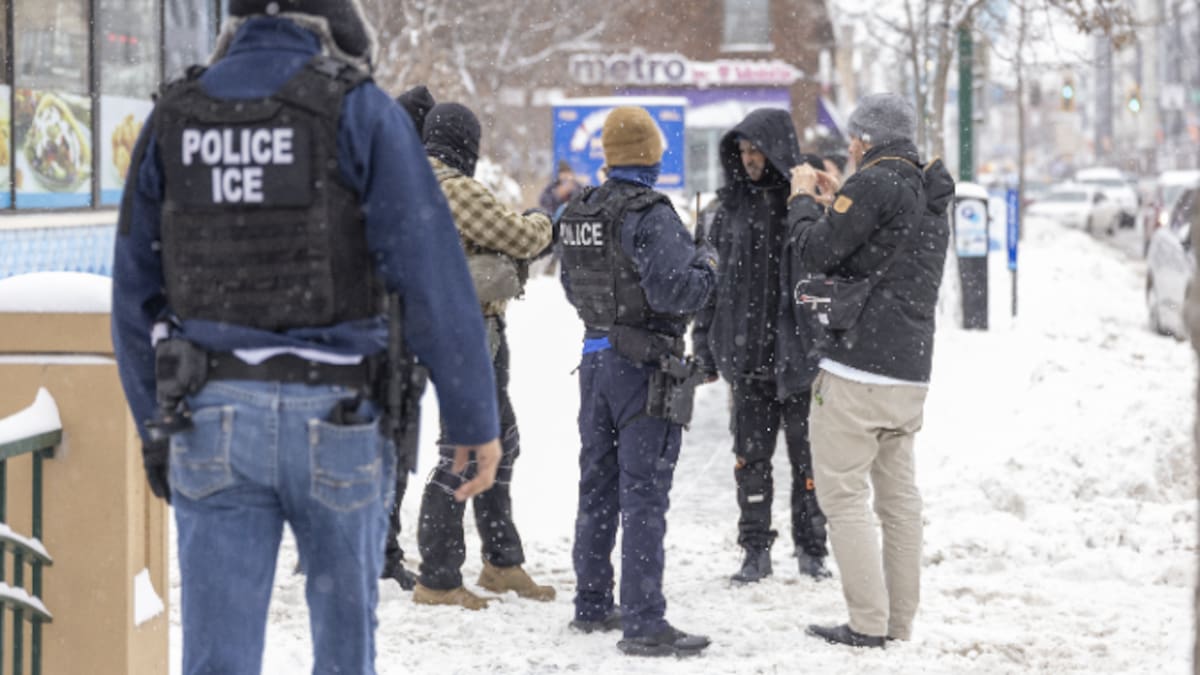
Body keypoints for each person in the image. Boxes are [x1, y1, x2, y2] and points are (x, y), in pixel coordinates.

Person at [110, 4, 502, 672]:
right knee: (345, 652)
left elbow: (132, 291)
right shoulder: (361, 110)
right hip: (340, 417)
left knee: (218, 658)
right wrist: (473, 417)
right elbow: (431, 272)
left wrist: (156, 419)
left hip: (213, 415)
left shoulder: (175, 115)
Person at [786, 93, 954, 649]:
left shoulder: (874, 182)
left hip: (857, 367)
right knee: (899, 502)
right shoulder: (925, 189)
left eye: (854, 139)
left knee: (842, 498)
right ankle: (898, 623)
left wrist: (803, 201)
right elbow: (881, 242)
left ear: (862, 140)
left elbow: (812, 252)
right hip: (909, 372)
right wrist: (841, 202)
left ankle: (866, 622)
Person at [559, 106, 717, 657]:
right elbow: (677, 292)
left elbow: (572, 286)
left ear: (608, 155)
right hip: (643, 369)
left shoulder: (579, 209)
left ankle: (593, 601)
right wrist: (708, 264)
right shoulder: (652, 214)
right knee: (644, 493)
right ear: (651, 154)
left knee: (597, 486)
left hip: (595, 360)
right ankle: (645, 620)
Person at [413, 102, 556, 610]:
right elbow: (520, 236)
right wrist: (542, 219)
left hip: (431, 326)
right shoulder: (453, 187)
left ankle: (501, 560)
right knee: (466, 447)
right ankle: (438, 576)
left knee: (501, 438)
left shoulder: (406, 179)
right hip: (471, 330)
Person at [692, 109, 830, 585]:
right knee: (750, 461)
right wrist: (705, 348)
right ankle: (754, 550)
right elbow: (708, 286)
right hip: (747, 360)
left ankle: (812, 549)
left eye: (758, 151)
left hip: (802, 360)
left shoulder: (804, 209)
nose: (750, 160)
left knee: (810, 462)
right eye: (744, 152)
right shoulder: (725, 211)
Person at [380, 83, 438, 593]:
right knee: (393, 451)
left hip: (372, 337)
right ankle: (383, 550)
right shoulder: (409, 181)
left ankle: (374, 546)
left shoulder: (368, 164)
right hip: (393, 339)